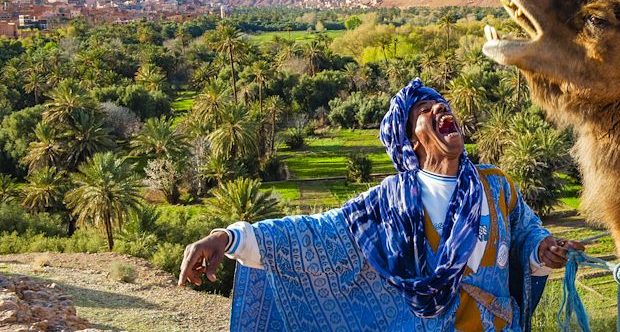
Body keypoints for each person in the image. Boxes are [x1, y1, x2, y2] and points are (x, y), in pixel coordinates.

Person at [179, 78, 583, 331]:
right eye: (424, 111)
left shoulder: (496, 186)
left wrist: (541, 251)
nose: (440, 108)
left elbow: (528, 232)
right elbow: (311, 236)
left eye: (440, 104)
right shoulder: (387, 204)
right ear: (411, 142)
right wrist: (226, 238)